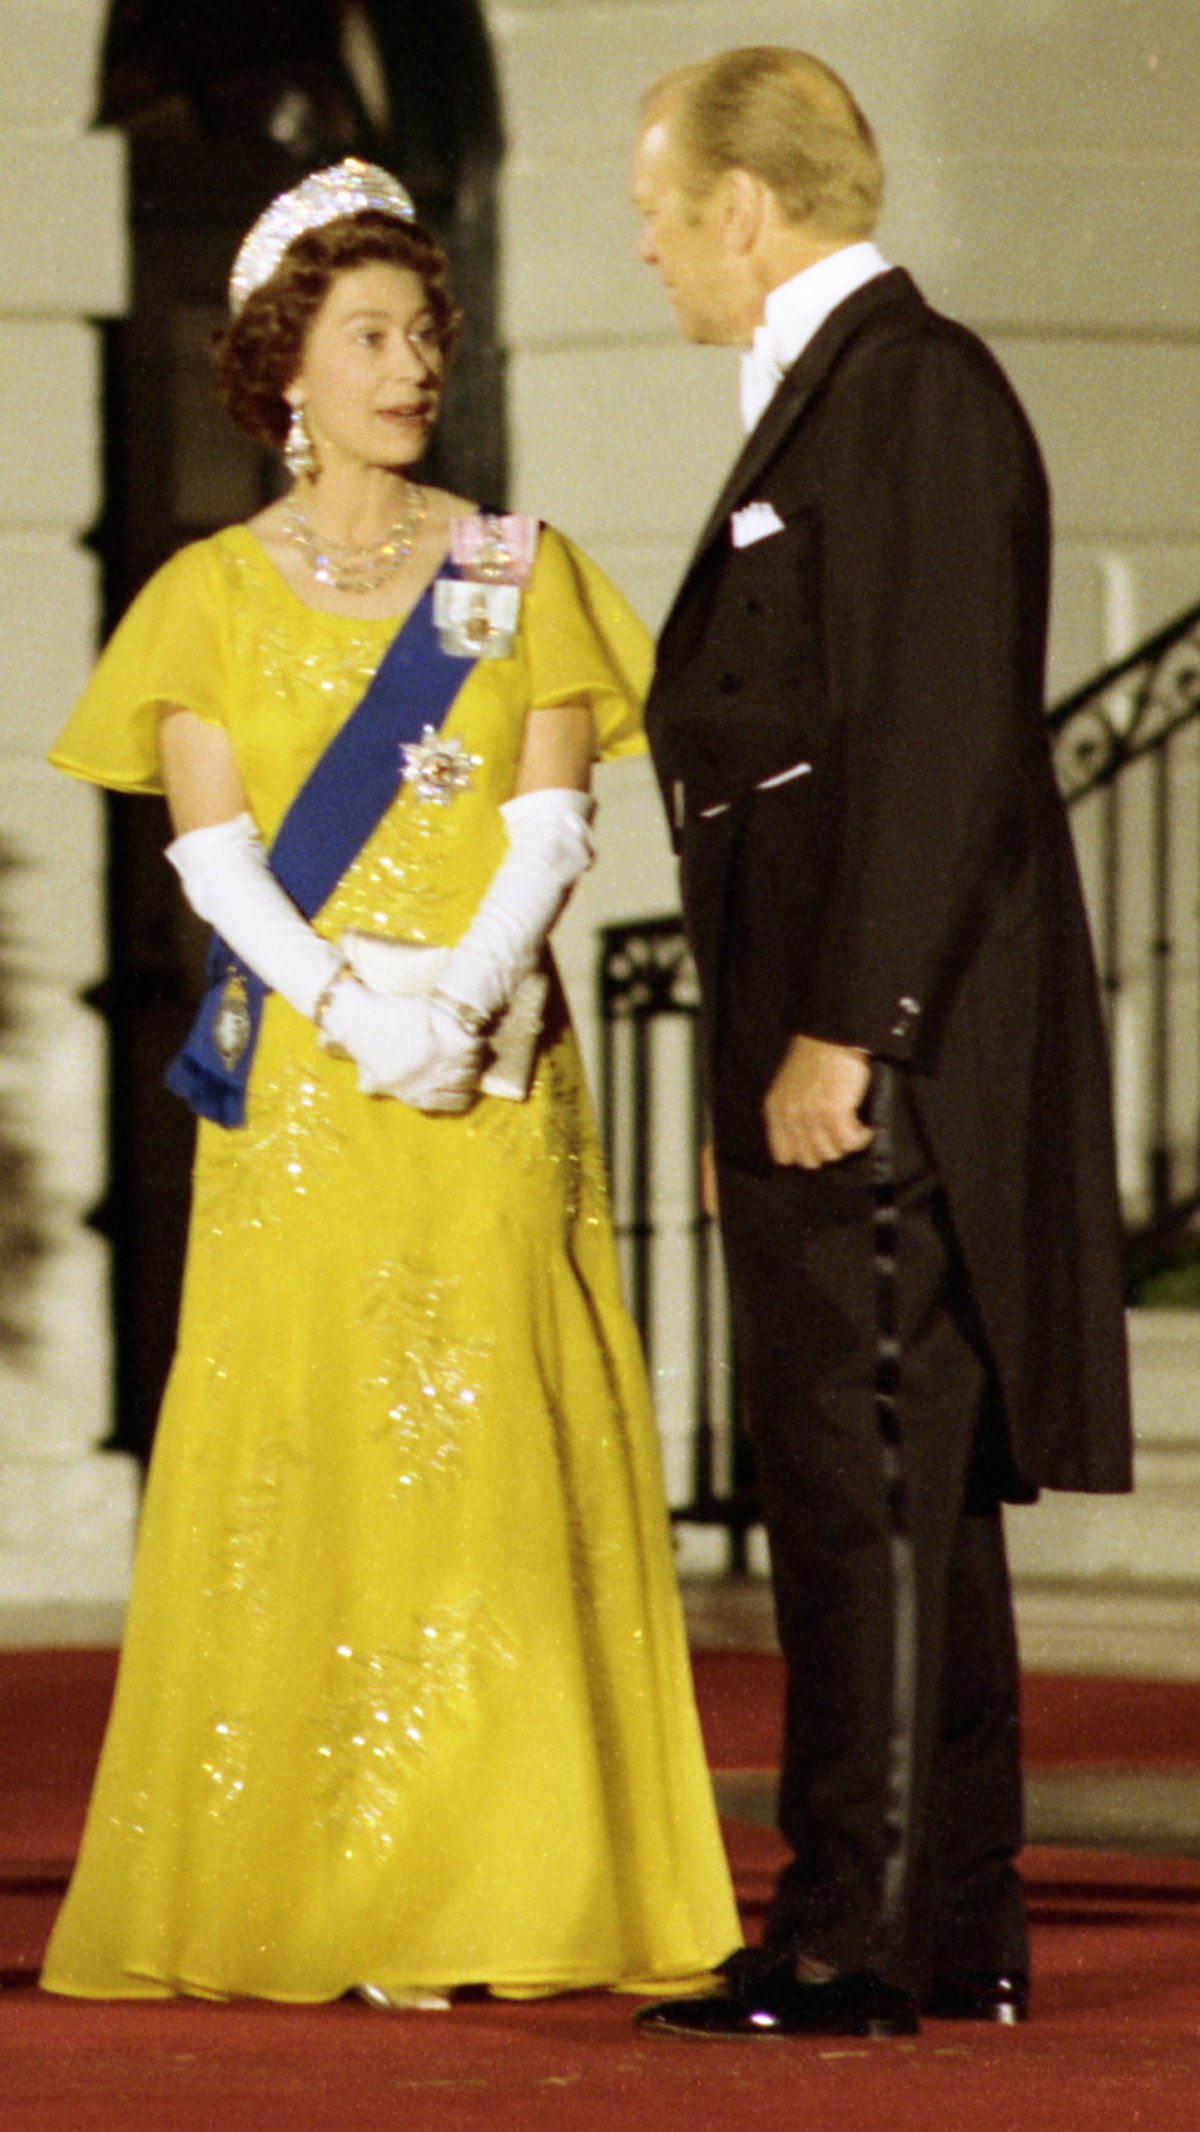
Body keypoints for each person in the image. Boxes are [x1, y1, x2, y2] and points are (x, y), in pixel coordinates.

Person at [41, 159, 739, 2006]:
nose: (411, 367)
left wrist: (466, 1002)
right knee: (315, 1452)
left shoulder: (514, 568)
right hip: (312, 1084)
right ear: (286, 367)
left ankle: (498, 1885)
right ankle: (324, 1891)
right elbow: (212, 859)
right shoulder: (206, 593)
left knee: (489, 1446)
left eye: (425, 333)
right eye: (369, 337)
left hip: (493, 1078)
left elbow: (553, 820)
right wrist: (362, 1018)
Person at [630, 50, 1132, 2040]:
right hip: (834, 1039)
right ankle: (951, 1920)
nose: (649, 249)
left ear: (744, 208)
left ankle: (851, 1936)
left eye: (659, 212)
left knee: (867, 1490)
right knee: (903, 1492)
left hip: (885, 1053)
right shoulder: (847, 395)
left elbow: (935, 739)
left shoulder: (909, 391)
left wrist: (847, 1032)